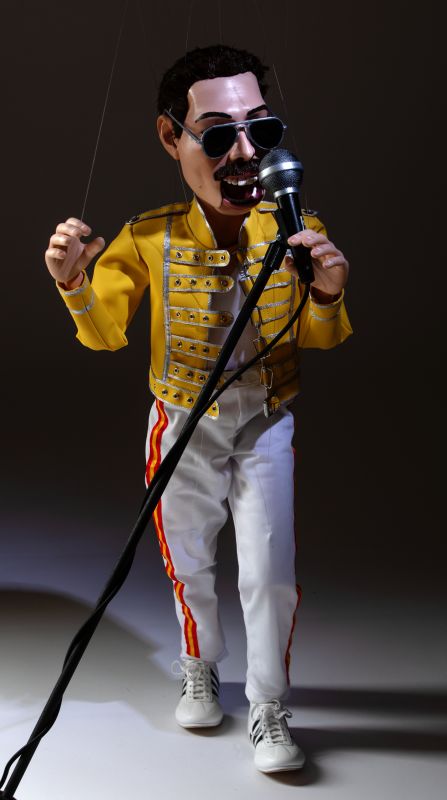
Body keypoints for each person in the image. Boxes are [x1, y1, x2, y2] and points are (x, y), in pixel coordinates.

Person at [44, 45, 352, 773]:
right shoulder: (148, 236)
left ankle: (269, 704)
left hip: (265, 419)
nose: (243, 153)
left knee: (270, 571)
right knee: (188, 560)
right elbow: (106, 334)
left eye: (260, 130)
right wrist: (74, 284)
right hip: (181, 421)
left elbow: (317, 335)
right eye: (217, 135)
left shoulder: (295, 225)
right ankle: (199, 664)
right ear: (170, 137)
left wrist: (328, 292)